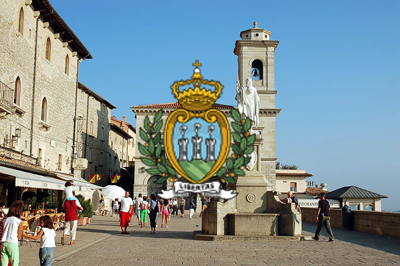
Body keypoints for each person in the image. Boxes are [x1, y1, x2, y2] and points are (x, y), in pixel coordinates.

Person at [1, 201, 24, 266]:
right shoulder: (19, 221)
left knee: (3, 262)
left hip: (4, 242)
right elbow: (19, 236)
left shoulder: (5, 220)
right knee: (14, 262)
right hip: (13, 242)